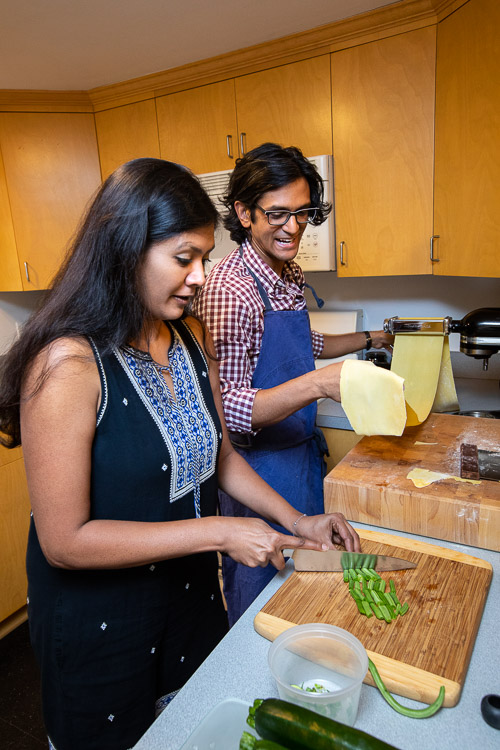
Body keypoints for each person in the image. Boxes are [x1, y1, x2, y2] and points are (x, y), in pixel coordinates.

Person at [0, 157, 360, 750]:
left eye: (205, 257)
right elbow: (64, 542)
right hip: (103, 624)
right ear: (125, 251)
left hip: (187, 602)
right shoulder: (68, 365)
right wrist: (221, 532)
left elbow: (217, 453)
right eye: (182, 258)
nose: (199, 277)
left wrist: (298, 520)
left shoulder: (190, 335)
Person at [193, 143, 392, 626]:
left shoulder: (286, 271)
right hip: (255, 470)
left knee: (308, 596)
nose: (294, 227)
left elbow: (302, 343)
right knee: (261, 607)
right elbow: (231, 413)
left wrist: (373, 337)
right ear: (244, 213)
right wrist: (319, 385)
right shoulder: (229, 289)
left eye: (303, 213)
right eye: (278, 214)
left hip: (300, 457)